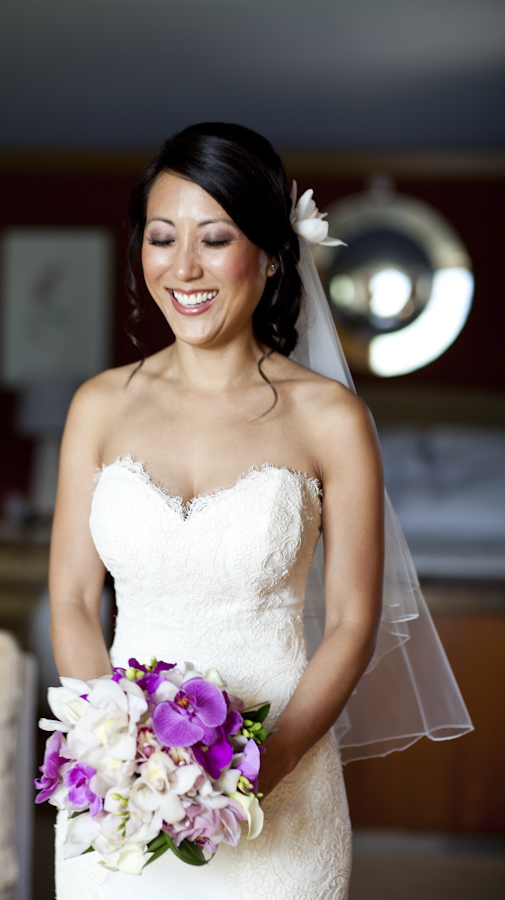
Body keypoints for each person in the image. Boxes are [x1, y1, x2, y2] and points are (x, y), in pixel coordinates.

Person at [48, 123, 471, 899]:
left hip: (283, 783)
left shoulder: (330, 419)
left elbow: (350, 621)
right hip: (121, 805)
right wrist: (122, 760)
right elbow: (74, 600)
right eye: (161, 237)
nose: (183, 267)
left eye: (215, 239)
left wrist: (258, 770)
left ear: (272, 253)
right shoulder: (98, 407)